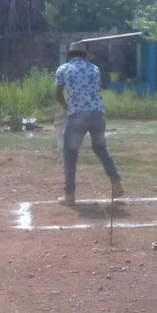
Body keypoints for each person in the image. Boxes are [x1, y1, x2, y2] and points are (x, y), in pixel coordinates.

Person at [55, 42, 124, 206]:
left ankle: (69, 195)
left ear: (70, 55)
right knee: (100, 148)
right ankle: (116, 182)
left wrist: (66, 107)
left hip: (78, 114)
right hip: (98, 113)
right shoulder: (94, 69)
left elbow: (58, 93)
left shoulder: (63, 69)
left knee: (70, 152)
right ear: (85, 55)